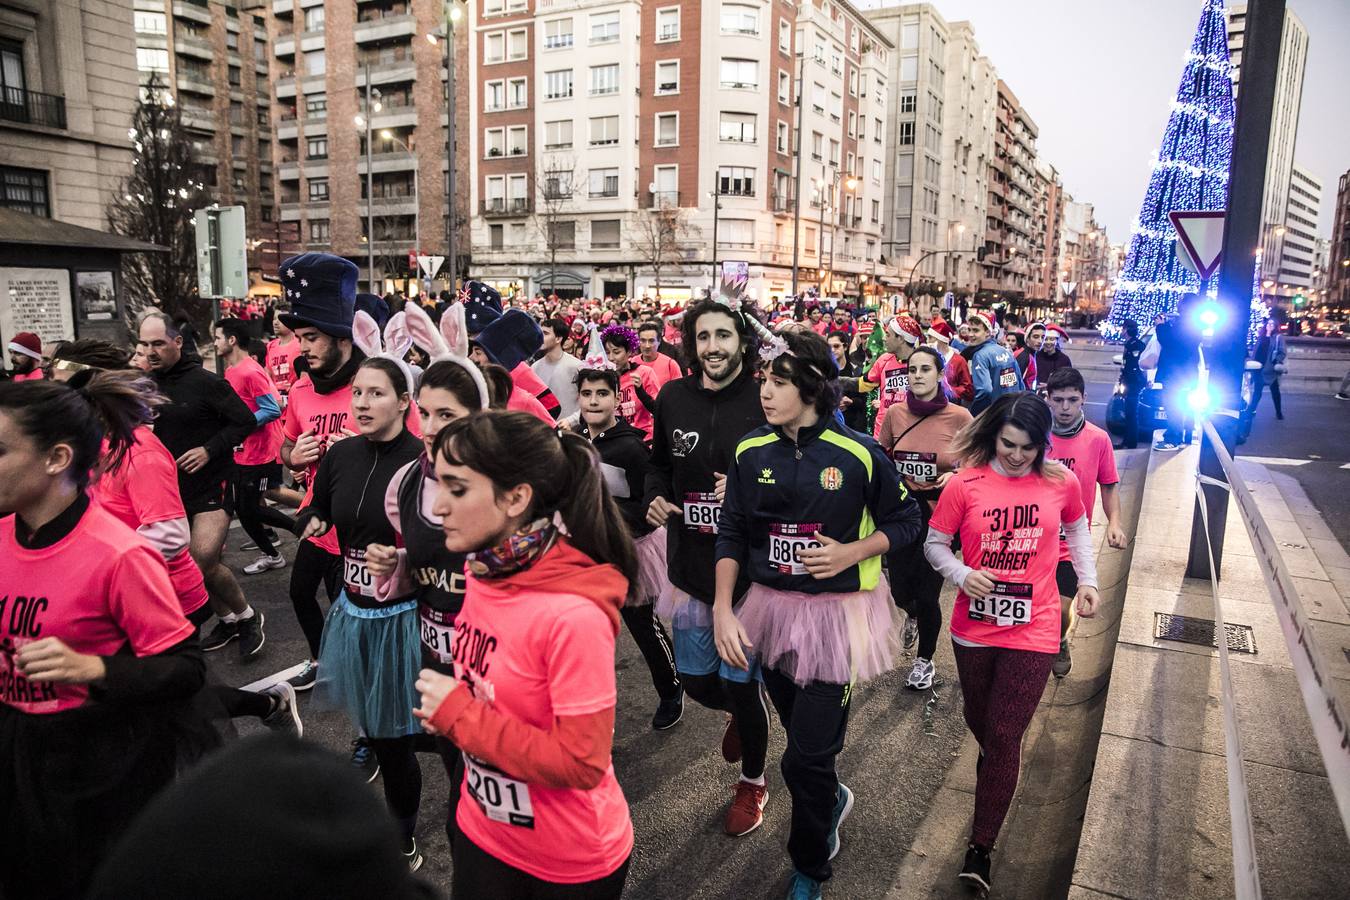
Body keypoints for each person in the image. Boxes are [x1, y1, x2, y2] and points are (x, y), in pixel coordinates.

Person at [713, 329, 920, 899]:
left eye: (778, 382)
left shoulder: (858, 455)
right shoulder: (750, 450)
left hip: (839, 620)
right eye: (764, 381)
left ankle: (810, 868)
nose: (766, 392)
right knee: (805, 749)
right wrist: (721, 610)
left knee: (804, 760)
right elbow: (731, 530)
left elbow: (908, 523)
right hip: (771, 616)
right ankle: (829, 798)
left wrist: (853, 551)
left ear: (810, 385)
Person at [0, 374, 209, 899]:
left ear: (56, 458)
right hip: (16, 748)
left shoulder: (119, 555)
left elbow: (186, 669)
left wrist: (95, 669)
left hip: (97, 765)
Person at [414, 411, 636, 899]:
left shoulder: (572, 613)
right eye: (438, 486)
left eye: (457, 489)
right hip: (482, 831)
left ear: (516, 497)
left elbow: (582, 762)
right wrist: (458, 710)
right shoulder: (483, 569)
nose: (438, 507)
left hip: (567, 860)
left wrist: (462, 716)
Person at [50, 340, 302, 734]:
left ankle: (253, 710)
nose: (58, 401)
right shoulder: (92, 447)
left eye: (66, 390)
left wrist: (95, 565)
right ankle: (264, 705)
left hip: (171, 593)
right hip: (129, 595)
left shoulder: (139, 451)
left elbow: (169, 535)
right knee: (170, 693)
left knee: (174, 695)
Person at [924, 393, 1099, 893]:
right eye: (1008, 444)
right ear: (994, 434)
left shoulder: (1060, 482)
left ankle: (980, 848)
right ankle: (997, 774)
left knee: (1003, 734)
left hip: (1036, 625)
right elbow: (934, 545)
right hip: (974, 628)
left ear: (1043, 445)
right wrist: (961, 573)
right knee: (983, 727)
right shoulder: (965, 483)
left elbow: (1078, 530)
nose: (1017, 456)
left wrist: (1088, 582)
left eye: (1028, 447)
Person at [645, 298, 774, 837]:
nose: (713, 347)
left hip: (749, 572)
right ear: (691, 344)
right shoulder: (673, 396)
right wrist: (654, 496)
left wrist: (749, 487)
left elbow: (798, 465)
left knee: (743, 687)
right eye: (703, 337)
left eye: (724, 336)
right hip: (690, 563)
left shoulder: (766, 397)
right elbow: (657, 462)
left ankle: (753, 783)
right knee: (697, 681)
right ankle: (741, 715)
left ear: (741, 340)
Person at [295, 354, 426, 870]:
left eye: (376, 394)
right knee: (374, 721)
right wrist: (310, 517)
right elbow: (322, 507)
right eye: (357, 394)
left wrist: (404, 558)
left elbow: (446, 543)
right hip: (353, 611)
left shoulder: (423, 461)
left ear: (403, 402)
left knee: (398, 743)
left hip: (405, 618)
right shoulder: (342, 455)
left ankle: (402, 839)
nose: (363, 403)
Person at [137, 311, 265, 657]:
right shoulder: (143, 385)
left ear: (177, 342)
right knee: (189, 565)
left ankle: (249, 617)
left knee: (200, 559)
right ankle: (227, 620)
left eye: (158, 344)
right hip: (170, 491)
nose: (150, 352)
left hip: (213, 483)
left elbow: (245, 421)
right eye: (144, 344)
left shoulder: (207, 382)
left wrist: (209, 450)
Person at [577, 361, 684, 729]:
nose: (593, 401)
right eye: (587, 394)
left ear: (616, 399)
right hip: (591, 553)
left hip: (632, 550)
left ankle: (671, 689)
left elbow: (648, 506)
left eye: (602, 393)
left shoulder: (630, 448)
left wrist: (604, 508)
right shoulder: (576, 440)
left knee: (643, 627)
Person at [878, 347, 973, 690]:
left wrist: (956, 476)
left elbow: (977, 462)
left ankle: (925, 660)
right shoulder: (895, 414)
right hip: (903, 511)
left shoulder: (960, 417)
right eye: (913, 369)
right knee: (901, 590)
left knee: (929, 591)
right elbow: (882, 455)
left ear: (939, 375)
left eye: (925, 369)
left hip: (940, 512)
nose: (917, 375)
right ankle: (911, 613)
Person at [1043, 368, 1126, 678]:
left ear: (1084, 400)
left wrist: (1114, 522)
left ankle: (1060, 639)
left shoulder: (1098, 439)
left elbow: (1109, 484)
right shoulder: (1035, 437)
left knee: (1062, 609)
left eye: (1072, 400)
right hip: (1033, 539)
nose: (1065, 408)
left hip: (1070, 545)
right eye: (1059, 400)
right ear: (1048, 399)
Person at [213, 318, 295, 575]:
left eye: (216, 338)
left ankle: (303, 530)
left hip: (260, 452)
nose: (214, 343)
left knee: (249, 509)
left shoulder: (250, 371)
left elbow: (272, 408)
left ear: (232, 340)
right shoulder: (232, 371)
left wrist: (242, 425)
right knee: (249, 507)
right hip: (243, 451)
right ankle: (280, 545)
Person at [857, 314, 922, 438]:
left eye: (888, 335)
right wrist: (834, 381)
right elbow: (864, 384)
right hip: (882, 434)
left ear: (901, 339)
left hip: (911, 433)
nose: (884, 339)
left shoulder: (923, 362)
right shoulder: (884, 360)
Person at [1152, 295, 1201, 451]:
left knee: (1173, 405)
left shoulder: (1188, 323)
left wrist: (1160, 326)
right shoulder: (1192, 323)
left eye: (1180, 301)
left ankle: (1173, 438)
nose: (1178, 304)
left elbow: (1171, 342)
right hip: (1182, 373)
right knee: (1176, 405)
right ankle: (1180, 435)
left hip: (1177, 374)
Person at [602, 323, 660, 442]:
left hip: (644, 440)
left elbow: (658, 410)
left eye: (616, 352)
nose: (611, 358)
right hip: (613, 439)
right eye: (607, 352)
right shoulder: (602, 376)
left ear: (629, 351)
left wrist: (641, 391)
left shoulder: (644, 373)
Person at [960, 311, 1025, 415]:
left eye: (976, 330)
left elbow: (985, 390)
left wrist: (973, 415)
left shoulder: (980, 355)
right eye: (969, 329)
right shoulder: (1006, 352)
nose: (970, 334)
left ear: (988, 332)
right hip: (1011, 412)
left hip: (992, 416)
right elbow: (1020, 385)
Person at [532, 318, 584, 418]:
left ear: (558, 339)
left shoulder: (576, 366)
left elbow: (587, 400)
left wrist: (572, 421)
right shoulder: (535, 368)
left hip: (571, 429)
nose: (540, 336)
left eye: (545, 333)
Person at [1245, 311, 1287, 425]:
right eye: (1268, 324)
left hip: (1270, 368)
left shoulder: (1278, 337)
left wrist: (1276, 361)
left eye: (1272, 324)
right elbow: (1256, 351)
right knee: (1257, 391)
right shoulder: (1261, 336)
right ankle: (1250, 410)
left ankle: (1278, 412)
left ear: (1276, 326)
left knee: (1275, 392)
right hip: (1258, 367)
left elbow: (1282, 352)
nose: (1269, 326)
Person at [828, 330, 868, 435]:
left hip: (854, 426)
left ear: (845, 347)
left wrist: (851, 401)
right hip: (830, 427)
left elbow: (865, 400)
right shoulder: (822, 372)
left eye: (836, 346)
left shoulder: (857, 370)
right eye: (829, 347)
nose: (832, 350)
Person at [1118, 320, 1147, 449]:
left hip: (1133, 383)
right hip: (1128, 382)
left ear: (1127, 330)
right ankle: (1127, 440)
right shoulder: (1129, 344)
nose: (1122, 331)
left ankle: (1131, 442)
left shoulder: (1136, 345)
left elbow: (1137, 366)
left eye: (1123, 328)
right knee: (1128, 413)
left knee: (1131, 413)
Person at [637, 319, 683, 389]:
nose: (647, 345)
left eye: (651, 341)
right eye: (643, 340)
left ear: (659, 341)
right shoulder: (632, 362)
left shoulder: (670, 364)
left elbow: (679, 391)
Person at [265, 314, 302, 401]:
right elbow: (268, 374)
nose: (276, 323)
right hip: (276, 400)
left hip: (296, 397)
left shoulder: (300, 344)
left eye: (281, 319)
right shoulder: (270, 346)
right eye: (274, 319)